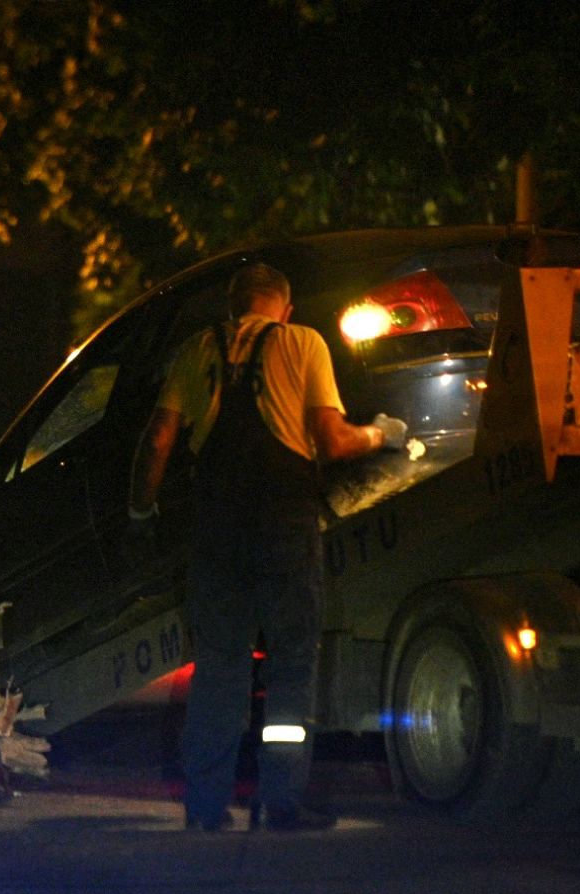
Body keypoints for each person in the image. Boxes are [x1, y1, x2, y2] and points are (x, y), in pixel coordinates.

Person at [127, 262, 406, 831]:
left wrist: (141, 510)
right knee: (291, 669)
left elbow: (157, 438)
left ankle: (205, 807)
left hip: (217, 529)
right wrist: (384, 434)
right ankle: (280, 801)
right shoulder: (302, 342)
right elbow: (330, 440)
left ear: (233, 307)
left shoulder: (196, 348)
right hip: (283, 524)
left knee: (220, 670)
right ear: (285, 306)